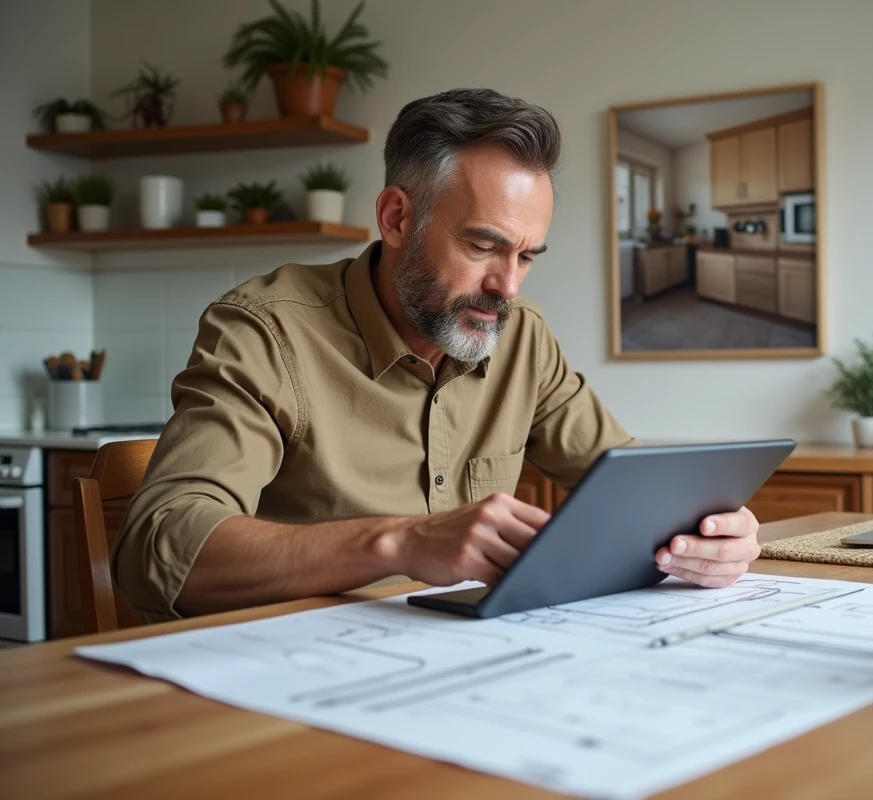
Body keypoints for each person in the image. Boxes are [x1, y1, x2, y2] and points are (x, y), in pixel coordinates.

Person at [112, 88, 761, 621]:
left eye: (527, 256)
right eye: (483, 246)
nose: (507, 286)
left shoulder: (522, 338)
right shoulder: (264, 330)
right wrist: (399, 541)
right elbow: (161, 550)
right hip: (286, 687)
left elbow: (634, 490)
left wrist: (715, 534)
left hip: (466, 670)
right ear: (397, 218)